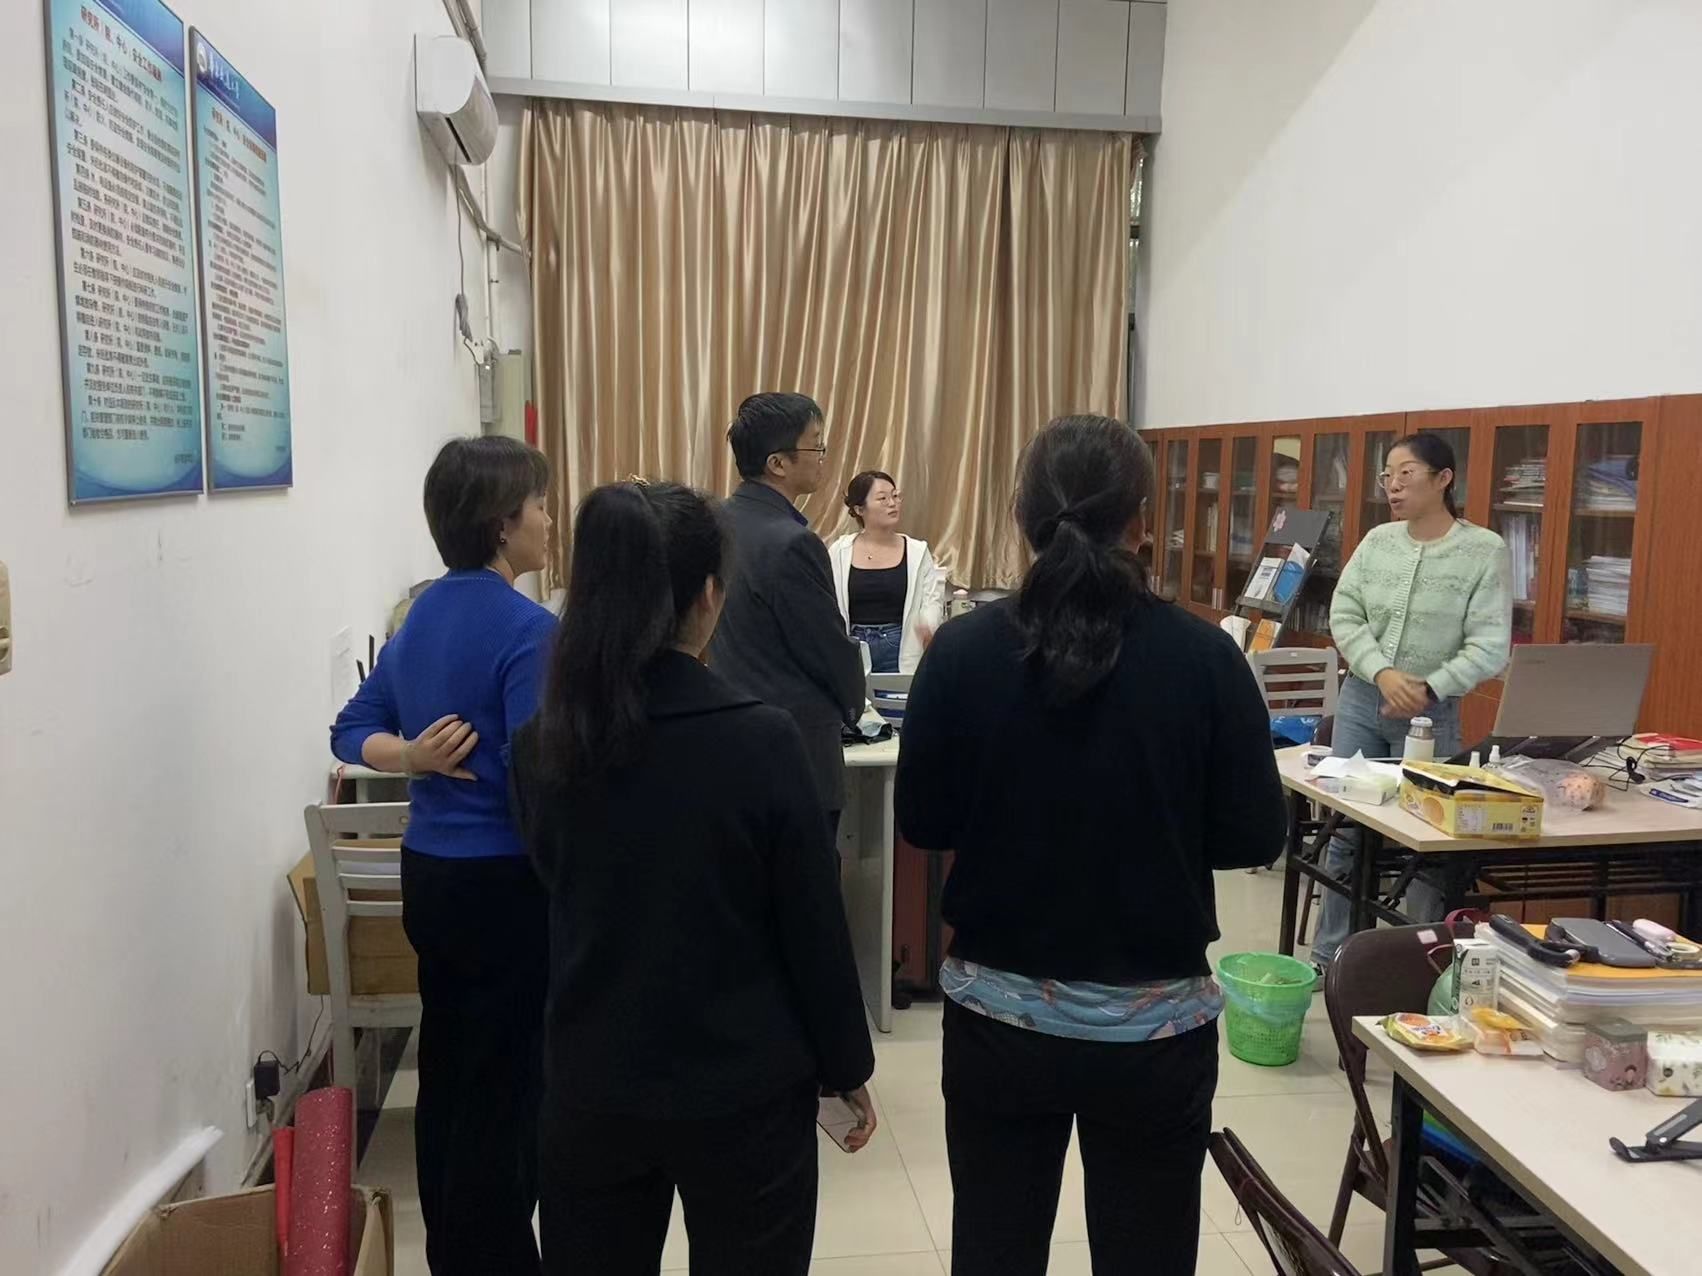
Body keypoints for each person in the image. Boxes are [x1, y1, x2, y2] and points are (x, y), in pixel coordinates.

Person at [895, 415, 1287, 1276]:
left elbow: (923, 821)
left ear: (1022, 517)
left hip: (1000, 1024)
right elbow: (1256, 833)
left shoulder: (962, 653)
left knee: (995, 1251)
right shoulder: (1204, 658)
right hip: (1153, 1031)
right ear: (1142, 521)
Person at [510, 481, 877, 1276]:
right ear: (709, 597)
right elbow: (812, 927)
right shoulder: (762, 741)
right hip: (745, 1087)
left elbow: (553, 892)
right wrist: (847, 1065)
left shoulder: (543, 746)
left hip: (594, 1080)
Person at [330, 436, 556, 1275]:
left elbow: (351, 730)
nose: (549, 520)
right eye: (539, 506)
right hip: (506, 881)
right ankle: (497, 1256)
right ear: (502, 524)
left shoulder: (420, 616)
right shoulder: (530, 631)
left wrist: (412, 758)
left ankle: (453, 1250)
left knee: (451, 1068)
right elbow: (540, 778)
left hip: (429, 875)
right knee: (510, 1082)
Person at [1309, 431, 1512, 973]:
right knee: (1345, 830)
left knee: (1427, 840)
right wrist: (1382, 672)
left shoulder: (1483, 550)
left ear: (1443, 479)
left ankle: (1420, 966)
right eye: (1387, 475)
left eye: (1406, 473)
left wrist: (1428, 686)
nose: (1393, 486)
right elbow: (1344, 612)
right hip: (1361, 699)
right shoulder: (1378, 541)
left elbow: (1490, 644)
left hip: (1431, 712)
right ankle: (1332, 959)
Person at [708, 392, 865, 837]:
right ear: (778, 463)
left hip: (731, 732)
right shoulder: (792, 542)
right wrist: (855, 706)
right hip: (796, 746)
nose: (823, 456)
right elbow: (827, 647)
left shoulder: (716, 522)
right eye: (816, 444)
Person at [828, 470, 947, 675]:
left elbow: (932, 600)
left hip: (900, 647)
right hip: (852, 647)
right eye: (882, 498)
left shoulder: (917, 551)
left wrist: (928, 626)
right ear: (859, 509)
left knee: (896, 695)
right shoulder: (840, 550)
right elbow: (828, 600)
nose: (892, 503)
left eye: (895, 496)